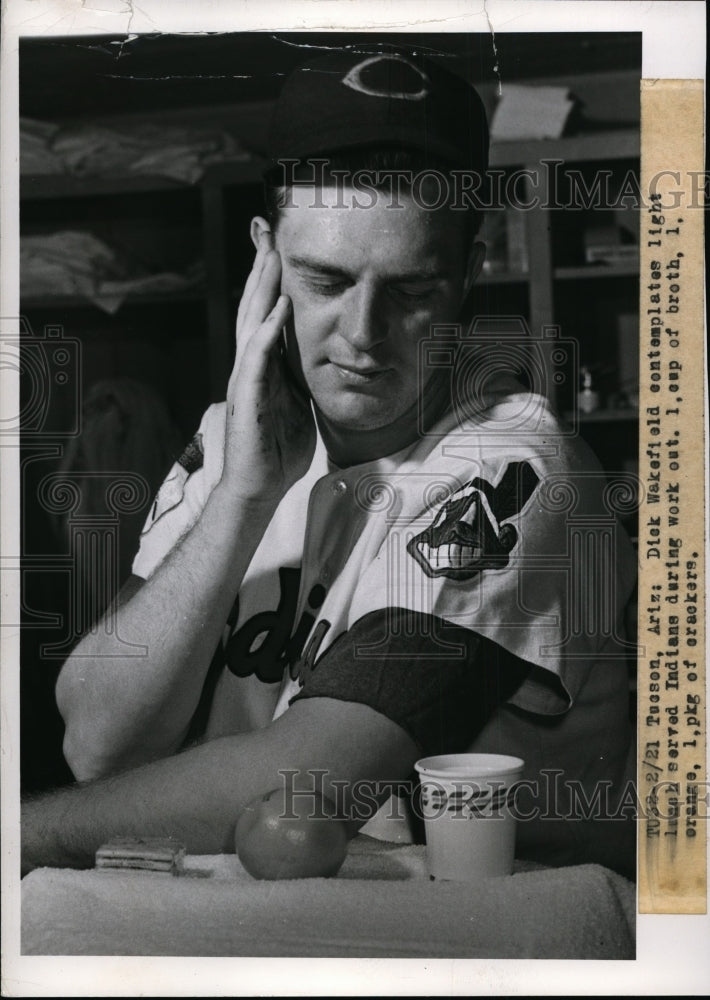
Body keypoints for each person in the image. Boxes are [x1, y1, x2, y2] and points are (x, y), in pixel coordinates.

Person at [21, 48, 637, 878]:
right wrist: (242, 496)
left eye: (412, 289)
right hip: (257, 917)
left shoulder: (516, 461)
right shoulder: (238, 438)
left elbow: (316, 782)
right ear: (265, 257)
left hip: (464, 942)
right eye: (325, 279)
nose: (362, 333)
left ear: (469, 272)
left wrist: (23, 836)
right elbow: (96, 740)